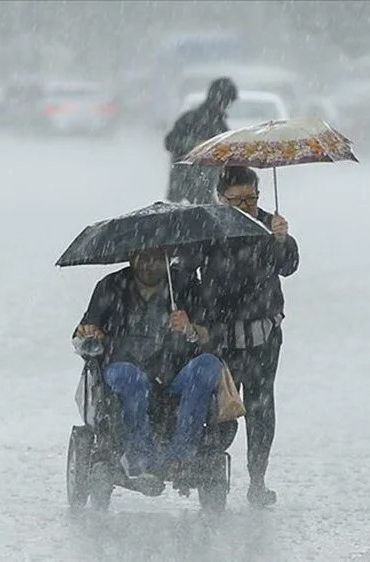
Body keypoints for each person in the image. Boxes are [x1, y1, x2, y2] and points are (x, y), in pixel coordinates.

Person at [73, 248, 223, 491]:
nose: (149, 265)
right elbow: (85, 330)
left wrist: (190, 329)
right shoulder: (111, 286)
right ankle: (141, 458)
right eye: (143, 258)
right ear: (132, 257)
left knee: (208, 366)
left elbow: (213, 334)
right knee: (128, 377)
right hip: (124, 371)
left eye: (156, 259)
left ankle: (181, 456)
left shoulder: (185, 286)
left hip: (174, 376)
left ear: (167, 259)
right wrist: (91, 333)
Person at [198, 166, 299, 507]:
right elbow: (185, 271)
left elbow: (288, 265)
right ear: (220, 198)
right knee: (221, 408)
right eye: (237, 200)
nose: (246, 206)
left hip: (263, 337)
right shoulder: (207, 228)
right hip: (221, 339)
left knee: (261, 407)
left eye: (251, 198)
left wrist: (282, 239)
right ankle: (212, 477)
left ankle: (257, 480)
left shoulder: (270, 227)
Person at [163, 77, 238, 204]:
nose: (227, 107)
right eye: (226, 102)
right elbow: (170, 142)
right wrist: (194, 144)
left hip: (205, 190)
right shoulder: (190, 119)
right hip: (182, 190)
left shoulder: (221, 127)